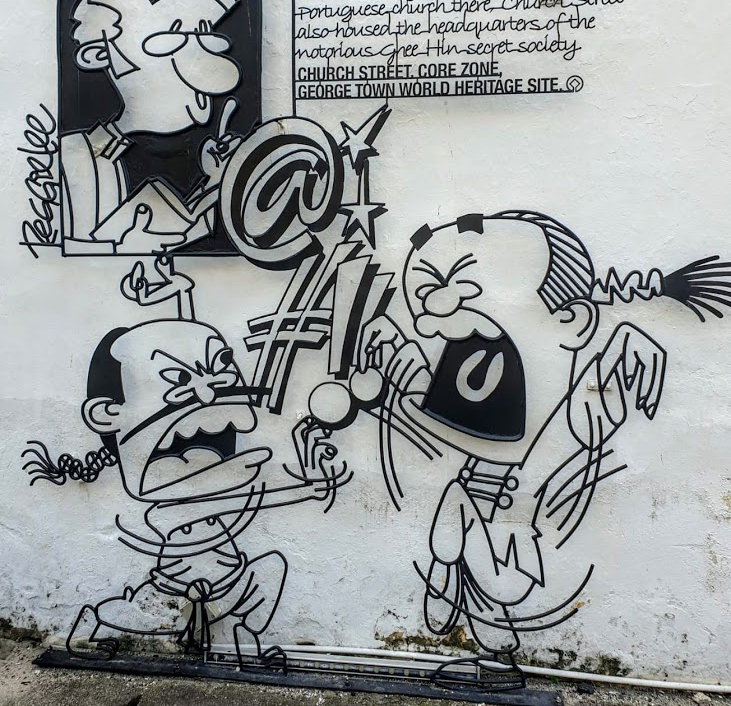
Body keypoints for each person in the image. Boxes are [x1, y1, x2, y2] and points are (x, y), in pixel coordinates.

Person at [356, 209, 730, 688]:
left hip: (513, 524)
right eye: (430, 293)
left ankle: (485, 638)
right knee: (457, 520)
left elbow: (471, 428)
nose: (439, 308)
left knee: (491, 582)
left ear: (573, 322)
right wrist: (402, 361)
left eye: (464, 289)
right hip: (480, 501)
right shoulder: (481, 369)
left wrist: (404, 379)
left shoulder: (571, 412)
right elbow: (440, 412)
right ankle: (456, 590)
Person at [23, 318, 350, 663]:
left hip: (229, 577)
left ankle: (247, 642)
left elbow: (250, 495)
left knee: (270, 569)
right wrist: (296, 487)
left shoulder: (233, 484)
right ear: (106, 415)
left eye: (222, 365)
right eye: (178, 378)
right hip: (175, 585)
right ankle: (92, 625)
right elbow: (226, 501)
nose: (208, 393)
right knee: (140, 614)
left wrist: (309, 484)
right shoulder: (166, 508)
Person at [61, 0, 246, 255]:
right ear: (100, 52)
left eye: (205, 30)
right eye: (175, 29)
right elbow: (80, 255)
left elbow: (179, 230)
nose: (199, 50)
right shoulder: (75, 159)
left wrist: (217, 182)